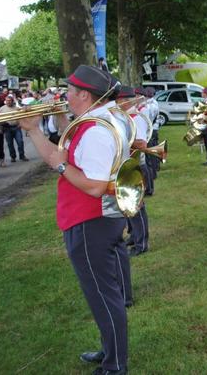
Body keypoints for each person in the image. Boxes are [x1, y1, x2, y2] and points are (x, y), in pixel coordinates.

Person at [19, 65, 130, 374]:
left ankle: (115, 365)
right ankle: (111, 351)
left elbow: (93, 185)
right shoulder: (96, 121)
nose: (63, 96)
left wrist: (57, 164)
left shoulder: (97, 130)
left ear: (84, 95)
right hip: (94, 218)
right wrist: (42, 128)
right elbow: (71, 152)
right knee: (103, 294)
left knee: (103, 295)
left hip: (90, 219)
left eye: (68, 91)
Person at [117, 86, 151, 256]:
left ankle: (142, 243)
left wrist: (120, 143)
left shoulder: (136, 118)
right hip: (128, 165)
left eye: (117, 101)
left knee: (137, 207)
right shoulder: (125, 117)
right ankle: (134, 235)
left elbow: (142, 144)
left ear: (123, 101)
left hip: (135, 165)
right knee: (128, 206)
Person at [0, 94, 28, 162]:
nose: (8, 102)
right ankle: (13, 157)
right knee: (10, 144)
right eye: (7, 100)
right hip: (7, 129)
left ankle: (22, 156)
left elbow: (22, 117)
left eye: (9, 100)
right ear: (5, 101)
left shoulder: (17, 108)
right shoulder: (1, 109)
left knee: (20, 142)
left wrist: (21, 124)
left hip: (16, 127)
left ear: (12, 101)